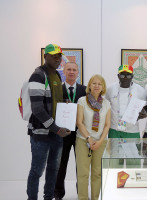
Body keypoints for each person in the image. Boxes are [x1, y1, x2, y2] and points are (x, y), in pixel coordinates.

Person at [27, 44, 71, 200]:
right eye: (53, 55)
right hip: (41, 133)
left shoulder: (58, 76)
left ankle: (48, 197)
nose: (57, 58)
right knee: (37, 170)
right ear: (45, 56)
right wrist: (56, 128)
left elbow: (55, 101)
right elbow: (37, 108)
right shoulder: (38, 75)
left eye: (59, 56)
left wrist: (65, 102)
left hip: (56, 133)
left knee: (53, 169)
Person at [75, 74, 111, 200]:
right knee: (83, 173)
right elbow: (79, 122)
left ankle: (96, 198)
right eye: (94, 83)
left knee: (98, 173)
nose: (96, 86)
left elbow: (107, 125)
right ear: (89, 85)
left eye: (99, 84)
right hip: (83, 140)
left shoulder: (106, 104)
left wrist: (100, 141)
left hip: (101, 143)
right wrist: (89, 138)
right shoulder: (81, 101)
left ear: (103, 87)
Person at [54, 62, 86, 199]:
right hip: (62, 134)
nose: (71, 72)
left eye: (74, 70)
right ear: (64, 72)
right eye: (69, 70)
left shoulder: (85, 90)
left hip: (80, 133)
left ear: (78, 72)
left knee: (81, 165)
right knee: (61, 165)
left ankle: (82, 193)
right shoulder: (57, 90)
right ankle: (58, 193)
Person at [106, 65, 147, 139]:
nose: (125, 78)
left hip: (132, 130)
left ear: (132, 76)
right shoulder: (110, 89)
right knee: (114, 151)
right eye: (122, 75)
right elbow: (105, 105)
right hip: (114, 130)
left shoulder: (140, 90)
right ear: (118, 76)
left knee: (132, 151)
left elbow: (145, 108)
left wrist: (144, 113)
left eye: (128, 75)